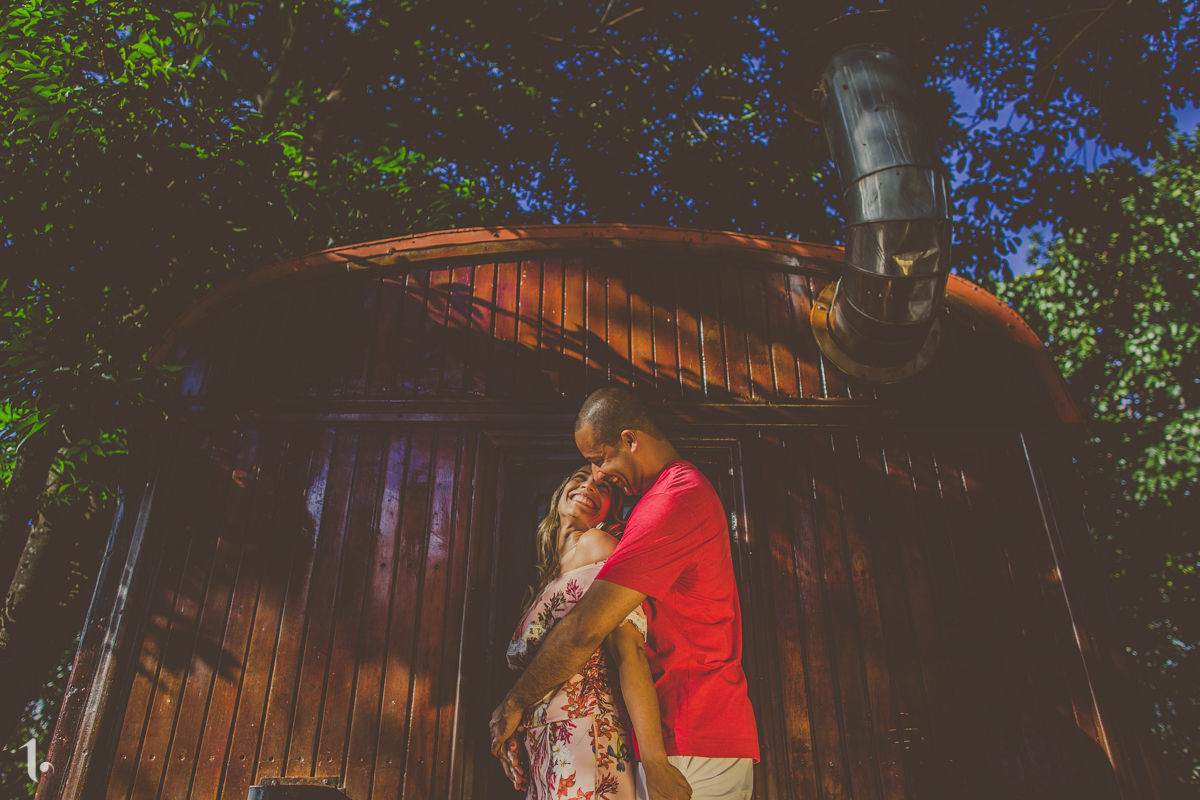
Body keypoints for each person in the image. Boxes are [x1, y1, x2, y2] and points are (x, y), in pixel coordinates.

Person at [492, 387, 759, 800]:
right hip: (674, 735)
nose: (596, 475)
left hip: (692, 735)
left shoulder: (674, 501)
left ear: (630, 440)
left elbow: (587, 630)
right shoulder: (659, 502)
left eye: (599, 460)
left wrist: (512, 704)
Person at [502, 464, 680, 800]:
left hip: (588, 736)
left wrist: (656, 763)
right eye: (581, 477)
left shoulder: (599, 545)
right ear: (561, 489)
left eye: (604, 487)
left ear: (610, 510)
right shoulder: (544, 576)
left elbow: (630, 652)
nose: (588, 486)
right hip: (546, 743)